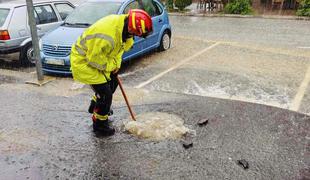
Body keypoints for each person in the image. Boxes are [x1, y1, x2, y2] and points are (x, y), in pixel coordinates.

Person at [70, 9, 153, 136]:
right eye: (137, 33)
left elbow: (119, 51)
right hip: (84, 62)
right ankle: (99, 125)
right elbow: (94, 59)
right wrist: (111, 66)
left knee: (112, 84)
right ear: (133, 28)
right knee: (106, 95)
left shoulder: (125, 30)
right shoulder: (108, 35)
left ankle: (95, 105)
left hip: (101, 60)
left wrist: (116, 65)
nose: (137, 36)